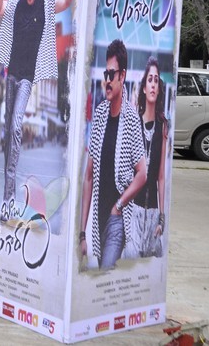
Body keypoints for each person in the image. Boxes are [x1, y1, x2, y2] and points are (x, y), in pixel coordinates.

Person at [0, 0, 82, 217]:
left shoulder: (44, 1)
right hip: (10, 72)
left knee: (16, 126)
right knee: (8, 131)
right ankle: (7, 190)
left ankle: (8, 200)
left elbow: (66, 1)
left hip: (26, 77)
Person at [79, 39, 147, 270]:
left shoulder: (131, 119)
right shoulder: (99, 115)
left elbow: (142, 174)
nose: (107, 80)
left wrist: (118, 205)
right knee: (100, 276)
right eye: (105, 74)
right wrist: (81, 233)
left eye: (112, 74)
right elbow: (89, 176)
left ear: (122, 76)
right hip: (98, 220)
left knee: (106, 269)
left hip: (117, 218)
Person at [129, 56, 167, 259]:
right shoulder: (134, 124)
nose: (153, 84)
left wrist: (162, 218)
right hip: (134, 212)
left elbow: (161, 176)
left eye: (156, 80)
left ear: (159, 88)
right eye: (149, 80)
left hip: (153, 214)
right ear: (144, 87)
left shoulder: (163, 126)